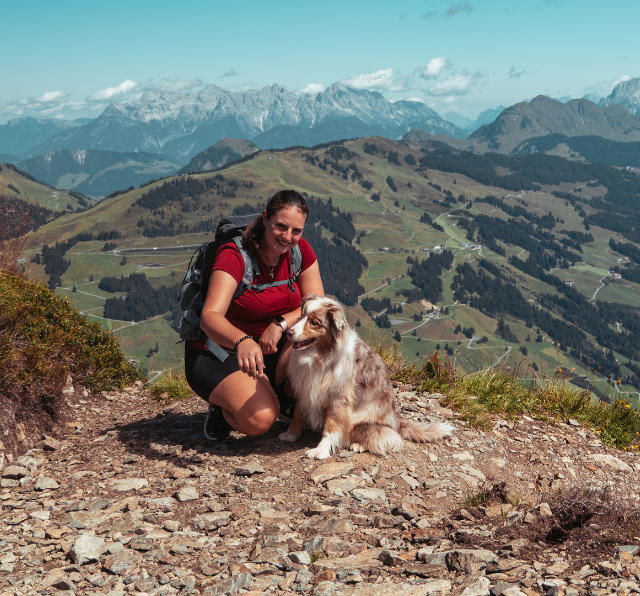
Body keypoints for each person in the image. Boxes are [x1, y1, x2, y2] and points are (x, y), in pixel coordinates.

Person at [185, 190, 324, 440]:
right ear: (265, 218)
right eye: (280, 226)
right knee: (261, 420)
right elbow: (210, 316)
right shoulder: (235, 255)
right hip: (220, 351)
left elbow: (317, 305)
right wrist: (242, 340)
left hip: (268, 348)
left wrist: (280, 324)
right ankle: (224, 408)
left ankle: (280, 394)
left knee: (318, 337)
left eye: (296, 231)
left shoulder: (300, 251)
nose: (288, 237)